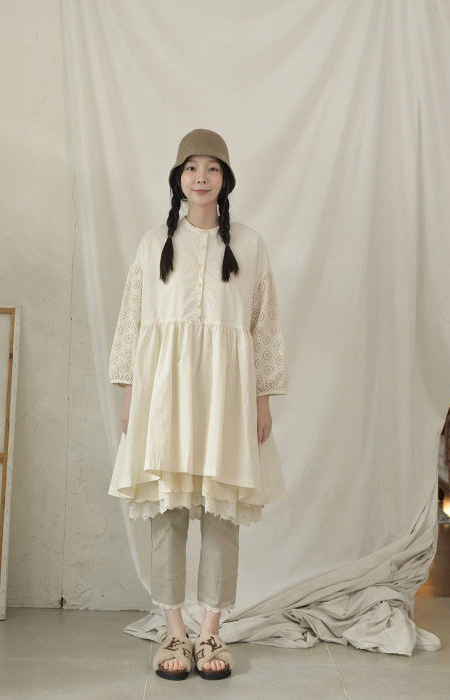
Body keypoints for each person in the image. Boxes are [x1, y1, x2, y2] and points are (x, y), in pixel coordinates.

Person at [108, 128, 288, 680]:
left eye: (212, 168)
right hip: (164, 396)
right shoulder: (152, 243)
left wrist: (262, 400)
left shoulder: (250, 245)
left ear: (225, 179)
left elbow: (263, 326)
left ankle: (211, 631)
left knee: (220, 511)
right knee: (167, 511)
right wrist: (131, 396)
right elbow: (133, 322)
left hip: (226, 398)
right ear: (178, 178)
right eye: (192, 167)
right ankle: (173, 630)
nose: (201, 177)